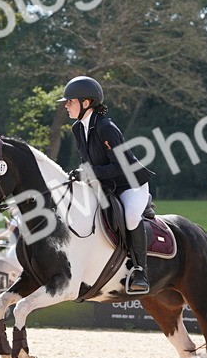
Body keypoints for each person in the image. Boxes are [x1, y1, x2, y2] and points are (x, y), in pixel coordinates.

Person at [61, 75, 155, 294]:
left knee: (131, 217)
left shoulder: (106, 127)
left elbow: (121, 166)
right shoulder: (78, 128)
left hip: (130, 184)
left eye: (70, 101)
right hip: (105, 183)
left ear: (86, 103)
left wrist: (90, 173)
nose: (66, 105)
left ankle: (141, 271)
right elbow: (87, 160)